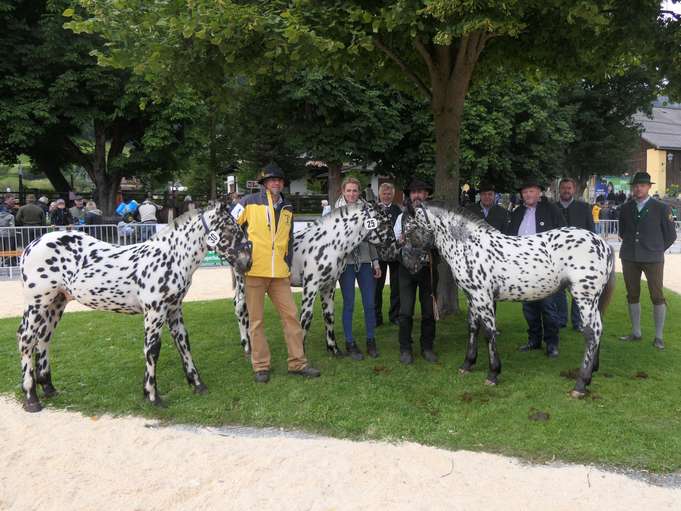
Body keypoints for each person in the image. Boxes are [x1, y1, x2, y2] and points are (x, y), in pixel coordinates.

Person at [231, 162, 320, 383]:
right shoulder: (248, 202)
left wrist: (287, 264)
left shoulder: (288, 207)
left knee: (291, 318)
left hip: (280, 274)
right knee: (257, 321)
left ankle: (298, 363)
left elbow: (288, 240)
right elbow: (228, 224)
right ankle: (261, 366)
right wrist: (240, 253)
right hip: (255, 272)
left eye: (279, 180)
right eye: (271, 180)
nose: (276, 183)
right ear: (264, 183)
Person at [504, 179, 566, 358]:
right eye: (525, 192)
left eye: (531, 191)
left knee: (548, 306)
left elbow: (562, 235)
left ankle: (552, 344)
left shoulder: (551, 209)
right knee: (529, 307)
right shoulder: (517, 212)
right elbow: (509, 238)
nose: (528, 195)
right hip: (523, 268)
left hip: (545, 267)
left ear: (539, 193)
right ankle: (534, 340)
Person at [618, 172, 677, 350]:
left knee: (657, 296)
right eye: (635, 185)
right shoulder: (626, 207)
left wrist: (656, 249)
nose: (638, 188)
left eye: (642, 185)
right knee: (632, 294)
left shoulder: (661, 207)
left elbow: (671, 235)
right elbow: (622, 232)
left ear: (649, 187)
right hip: (629, 257)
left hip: (653, 258)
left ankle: (658, 337)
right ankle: (636, 332)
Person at [334, 177, 382, 359]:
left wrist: (375, 261)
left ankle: (371, 340)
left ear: (359, 192)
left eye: (355, 190)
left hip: (364, 262)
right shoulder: (335, 212)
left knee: (370, 304)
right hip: (346, 264)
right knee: (349, 304)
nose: (352, 194)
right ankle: (350, 342)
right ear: (343, 192)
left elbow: (372, 237)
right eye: (349, 190)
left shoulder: (367, 210)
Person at [394, 178, 439, 364]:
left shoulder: (435, 216)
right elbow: (396, 240)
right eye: (414, 192)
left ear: (426, 194)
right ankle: (405, 349)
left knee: (428, 312)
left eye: (421, 192)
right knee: (405, 311)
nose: (417, 195)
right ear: (409, 195)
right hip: (405, 270)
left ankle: (427, 347)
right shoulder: (401, 216)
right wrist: (401, 240)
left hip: (428, 269)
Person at [555, 178, 595, 330]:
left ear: (574, 190)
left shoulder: (584, 208)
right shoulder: (553, 207)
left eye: (569, 188)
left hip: (579, 257)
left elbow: (591, 233)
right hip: (558, 256)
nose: (566, 190)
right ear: (559, 190)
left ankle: (577, 322)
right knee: (558, 290)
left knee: (578, 289)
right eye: (563, 188)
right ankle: (561, 319)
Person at [375, 182, 402, 328]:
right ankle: (376, 317)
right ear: (380, 194)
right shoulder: (374, 210)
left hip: (395, 254)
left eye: (389, 193)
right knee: (376, 289)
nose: (386, 196)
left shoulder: (398, 209)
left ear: (392, 194)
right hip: (379, 255)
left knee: (396, 287)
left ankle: (395, 315)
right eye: (384, 193)